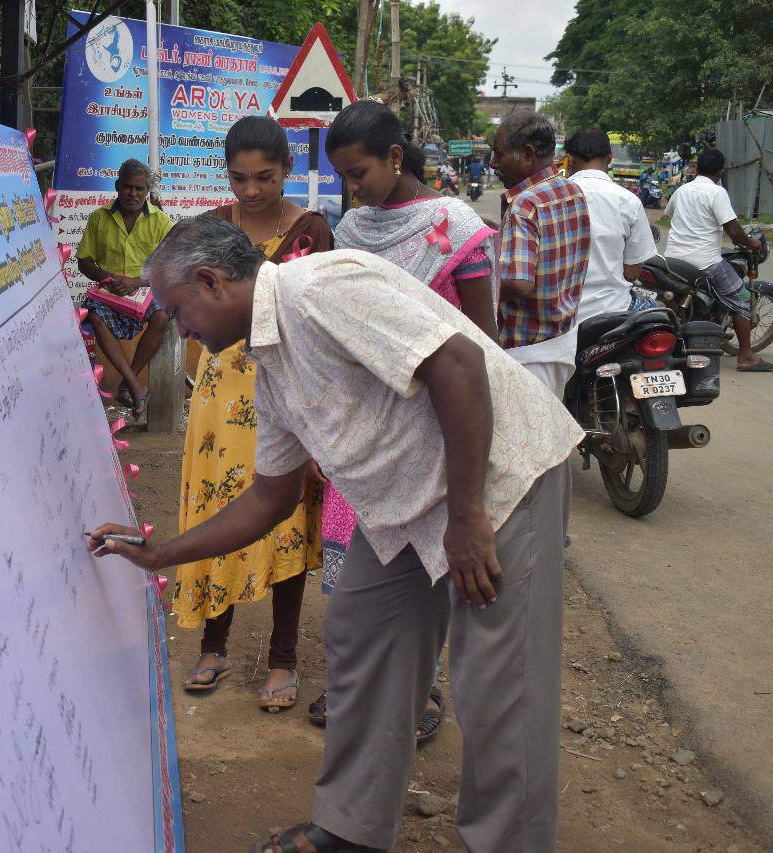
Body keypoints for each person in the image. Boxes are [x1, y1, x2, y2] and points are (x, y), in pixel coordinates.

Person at [90, 216, 583, 853]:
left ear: (210, 282)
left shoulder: (319, 289)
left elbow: (458, 363)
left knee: (498, 679)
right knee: (364, 629)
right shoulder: (267, 361)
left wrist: (466, 517)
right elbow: (272, 496)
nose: (177, 330)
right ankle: (350, 829)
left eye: (177, 311)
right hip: (409, 506)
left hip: (499, 481)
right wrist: (162, 553)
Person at [312, 99, 500, 737]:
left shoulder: (454, 225)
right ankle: (358, 689)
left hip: (435, 430)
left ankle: (420, 696)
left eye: (359, 172)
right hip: (364, 430)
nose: (351, 187)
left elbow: (482, 344)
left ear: (395, 158)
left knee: (423, 567)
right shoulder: (353, 230)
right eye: (342, 175)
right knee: (350, 564)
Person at [174, 115, 332, 713]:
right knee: (221, 514)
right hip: (220, 398)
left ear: (288, 170)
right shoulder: (212, 229)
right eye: (238, 178)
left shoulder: (312, 232)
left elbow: (323, 324)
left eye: (264, 177)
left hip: (287, 394)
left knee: (284, 517)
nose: (250, 190)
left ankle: (283, 658)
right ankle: (214, 646)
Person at [491, 110, 591, 397]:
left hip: (527, 352)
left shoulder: (525, 205)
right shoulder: (571, 190)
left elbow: (520, 282)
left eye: (499, 154)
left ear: (527, 154)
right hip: (560, 341)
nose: (493, 163)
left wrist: (470, 282)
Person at [76, 159, 173, 417]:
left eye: (140, 189)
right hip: (110, 292)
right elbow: (84, 261)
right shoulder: (99, 218)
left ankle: (129, 382)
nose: (133, 194)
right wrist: (108, 278)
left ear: (147, 190)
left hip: (146, 289)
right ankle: (135, 386)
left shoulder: (161, 222)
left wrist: (136, 283)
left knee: (162, 315)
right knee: (94, 315)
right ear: (118, 186)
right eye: (128, 187)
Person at [664, 147, 771, 371]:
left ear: (697, 168)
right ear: (721, 172)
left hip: (673, 259)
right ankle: (746, 357)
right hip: (704, 261)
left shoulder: (683, 190)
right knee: (742, 299)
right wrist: (751, 243)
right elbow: (733, 230)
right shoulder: (716, 193)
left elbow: (672, 214)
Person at [565, 127, 659, 323]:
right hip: (613, 310)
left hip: (561, 313)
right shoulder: (629, 201)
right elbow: (631, 273)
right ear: (609, 157)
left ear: (571, 159)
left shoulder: (550, 198)